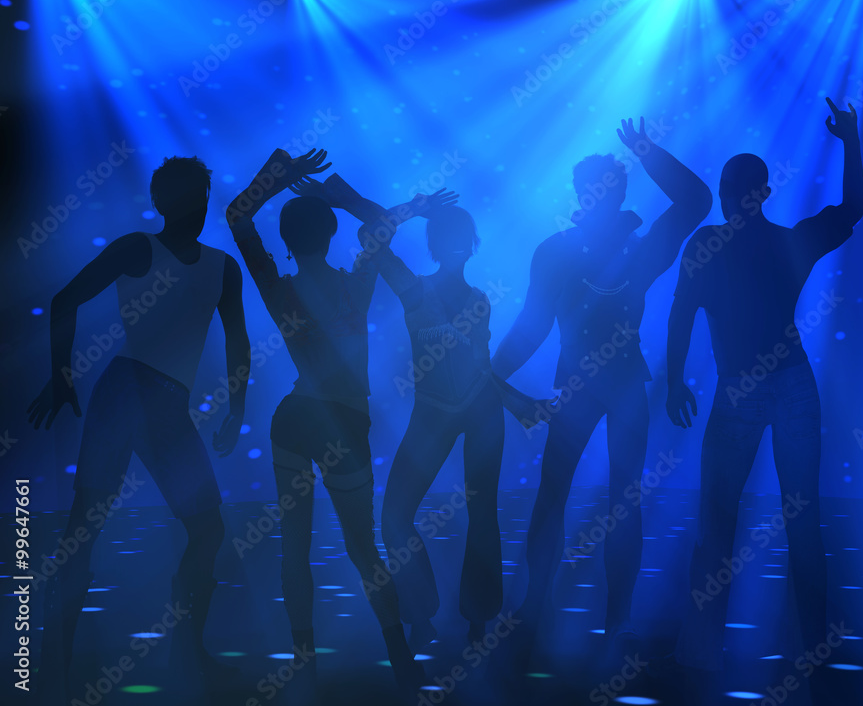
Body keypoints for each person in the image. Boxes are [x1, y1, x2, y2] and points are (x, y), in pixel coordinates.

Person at [490, 117, 713, 659]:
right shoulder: (560, 252)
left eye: (607, 190)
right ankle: (539, 610)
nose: (598, 199)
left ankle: (614, 622)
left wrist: (646, 150)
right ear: (579, 195)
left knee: (618, 500)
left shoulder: (638, 249)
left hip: (619, 386)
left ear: (616, 196)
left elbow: (697, 201)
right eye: (593, 191)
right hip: (585, 386)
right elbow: (531, 326)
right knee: (559, 496)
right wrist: (494, 379)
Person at [29, 156, 250, 697]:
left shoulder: (223, 268)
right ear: (161, 204)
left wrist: (237, 409)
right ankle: (51, 664)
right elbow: (64, 300)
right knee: (84, 531)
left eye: (200, 197)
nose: (194, 208)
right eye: (184, 199)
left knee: (206, 529)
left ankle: (187, 650)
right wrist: (62, 377)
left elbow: (240, 341)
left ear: (205, 198)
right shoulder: (137, 248)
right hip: (125, 394)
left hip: (163, 404)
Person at [665, 99, 863, 688]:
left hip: (741, 392)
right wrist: (850, 140)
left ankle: (702, 654)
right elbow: (853, 208)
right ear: (764, 192)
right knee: (801, 520)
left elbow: (681, 316)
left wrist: (675, 378)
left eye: (729, 188)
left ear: (733, 193)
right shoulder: (789, 243)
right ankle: (814, 650)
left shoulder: (706, 247)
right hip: (788, 385)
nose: (729, 197)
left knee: (719, 522)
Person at [226, 149, 439, 694]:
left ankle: (304, 662)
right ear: (328, 234)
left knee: (294, 547)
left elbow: (237, 217)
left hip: (294, 419)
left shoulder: (279, 290)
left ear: (291, 242)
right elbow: (381, 227)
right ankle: (401, 660)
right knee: (361, 546)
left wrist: (279, 177)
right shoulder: (357, 284)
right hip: (344, 424)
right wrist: (407, 204)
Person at [345, 197, 548, 651]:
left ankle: (475, 622)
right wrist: (415, 207)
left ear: (470, 246)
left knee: (482, 514)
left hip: (479, 410)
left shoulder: (479, 301)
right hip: (434, 409)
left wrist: (517, 404)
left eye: (461, 239)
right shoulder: (414, 289)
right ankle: (423, 614)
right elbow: (369, 237)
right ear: (437, 245)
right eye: (449, 238)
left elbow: (482, 369)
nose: (457, 246)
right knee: (396, 515)